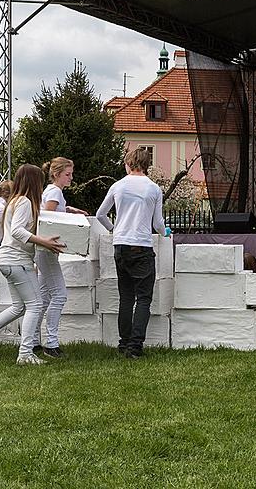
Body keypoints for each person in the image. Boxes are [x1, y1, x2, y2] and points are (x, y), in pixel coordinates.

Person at [0, 165, 65, 364]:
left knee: (19, 307)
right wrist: (44, 242)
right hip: (16, 260)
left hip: (7, 260)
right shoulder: (25, 202)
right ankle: (25, 353)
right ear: (33, 182)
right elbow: (18, 232)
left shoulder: (15, 201)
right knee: (35, 305)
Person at [96, 148, 165, 359]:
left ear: (128, 163)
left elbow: (100, 214)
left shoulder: (118, 185)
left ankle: (123, 343)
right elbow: (157, 223)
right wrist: (166, 232)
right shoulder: (153, 189)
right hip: (142, 247)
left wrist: (114, 229)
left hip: (120, 246)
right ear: (147, 166)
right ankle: (135, 347)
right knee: (143, 298)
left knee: (126, 297)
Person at [35, 157, 89, 358]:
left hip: (46, 251)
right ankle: (51, 342)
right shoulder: (55, 191)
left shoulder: (52, 191)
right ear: (57, 174)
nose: (71, 178)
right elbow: (48, 219)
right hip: (49, 250)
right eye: (68, 174)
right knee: (59, 294)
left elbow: (52, 211)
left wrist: (68, 210)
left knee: (43, 297)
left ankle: (33, 340)